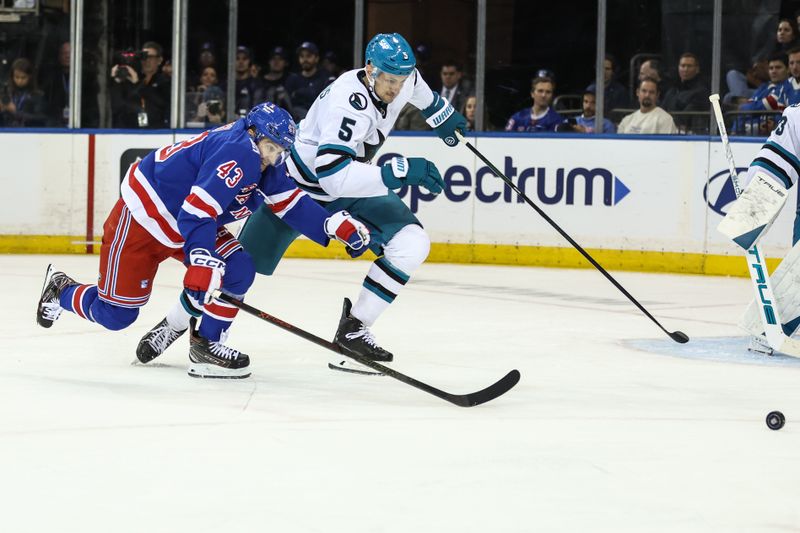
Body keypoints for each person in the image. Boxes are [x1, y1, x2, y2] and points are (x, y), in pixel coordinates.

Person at [36, 103, 370, 379]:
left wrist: (330, 225)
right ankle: (62, 290)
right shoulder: (239, 153)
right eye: (271, 148)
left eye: (280, 151)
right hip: (144, 218)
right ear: (254, 133)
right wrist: (200, 260)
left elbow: (288, 202)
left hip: (190, 221)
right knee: (116, 316)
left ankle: (206, 343)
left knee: (238, 267)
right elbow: (196, 212)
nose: (273, 158)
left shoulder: (263, 154)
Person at [232, 32, 465, 375]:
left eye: (402, 80)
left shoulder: (403, 77)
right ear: (370, 69)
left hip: (351, 184)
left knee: (411, 243)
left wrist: (439, 113)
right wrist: (397, 172)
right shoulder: (348, 103)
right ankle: (184, 328)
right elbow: (331, 174)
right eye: (390, 80)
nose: (396, 88)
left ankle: (353, 330)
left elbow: (418, 89)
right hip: (299, 192)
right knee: (238, 267)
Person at [110, 41, 171, 128]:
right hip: (131, 129)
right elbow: (117, 106)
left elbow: (160, 102)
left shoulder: (165, 81)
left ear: (159, 60)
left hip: (156, 130)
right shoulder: (131, 78)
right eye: (143, 57)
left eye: (150, 57)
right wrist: (116, 82)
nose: (146, 60)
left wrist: (137, 84)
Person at [734, 52, 791, 135]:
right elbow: (749, 106)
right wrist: (748, 107)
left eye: (778, 68)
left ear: (787, 69)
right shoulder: (764, 86)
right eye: (771, 68)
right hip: (752, 128)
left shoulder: (788, 86)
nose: (774, 71)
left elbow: (769, 104)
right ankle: (733, 133)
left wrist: (746, 107)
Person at [660, 52, 709, 133]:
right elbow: (661, 113)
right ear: (678, 68)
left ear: (697, 69)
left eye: (689, 66)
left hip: (689, 134)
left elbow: (684, 118)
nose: (685, 69)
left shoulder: (701, 92)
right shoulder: (672, 91)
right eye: (683, 66)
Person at [284, 41, 333, 121]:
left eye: (308, 56)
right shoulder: (292, 79)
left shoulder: (325, 78)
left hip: (319, 122)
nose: (305, 59)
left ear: (316, 58)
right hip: (296, 124)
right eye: (302, 56)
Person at [0, 57, 46, 127]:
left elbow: (41, 119)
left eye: (23, 77)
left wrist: (16, 112)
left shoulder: (37, 95)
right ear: (12, 77)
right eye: (17, 77)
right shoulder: (5, 93)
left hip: (27, 134)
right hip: (6, 133)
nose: (19, 81)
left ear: (30, 77)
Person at [233, 46, 265, 119]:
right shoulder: (226, 84)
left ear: (249, 61)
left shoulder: (256, 84)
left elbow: (257, 109)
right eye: (237, 58)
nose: (241, 62)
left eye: (244, 59)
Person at [263, 46, 292, 111]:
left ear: (286, 63)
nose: (276, 62)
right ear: (269, 61)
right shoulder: (260, 82)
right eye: (273, 59)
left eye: (280, 59)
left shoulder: (290, 81)